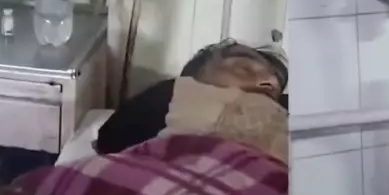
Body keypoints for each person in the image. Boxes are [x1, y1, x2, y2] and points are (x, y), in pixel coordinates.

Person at [0, 37, 292, 195]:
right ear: (190, 80)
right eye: (244, 67)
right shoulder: (171, 98)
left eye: (272, 81)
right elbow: (114, 142)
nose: (265, 81)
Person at [96, 37, 289, 154]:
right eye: (244, 68)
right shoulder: (162, 107)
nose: (271, 82)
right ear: (187, 85)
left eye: (275, 88)